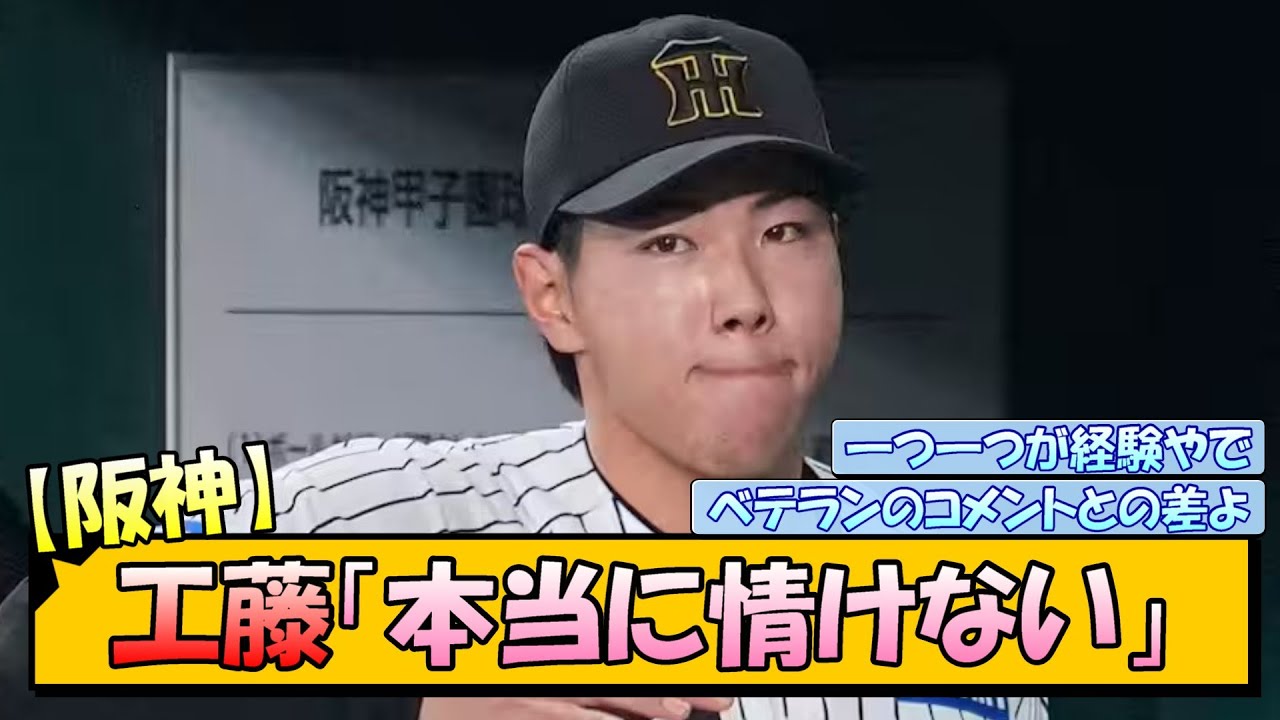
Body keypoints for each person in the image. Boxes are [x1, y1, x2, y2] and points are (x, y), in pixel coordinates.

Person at [235, 13, 1050, 720]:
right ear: (553, 297)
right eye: (669, 242)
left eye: (784, 232)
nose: (744, 300)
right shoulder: (378, 519)